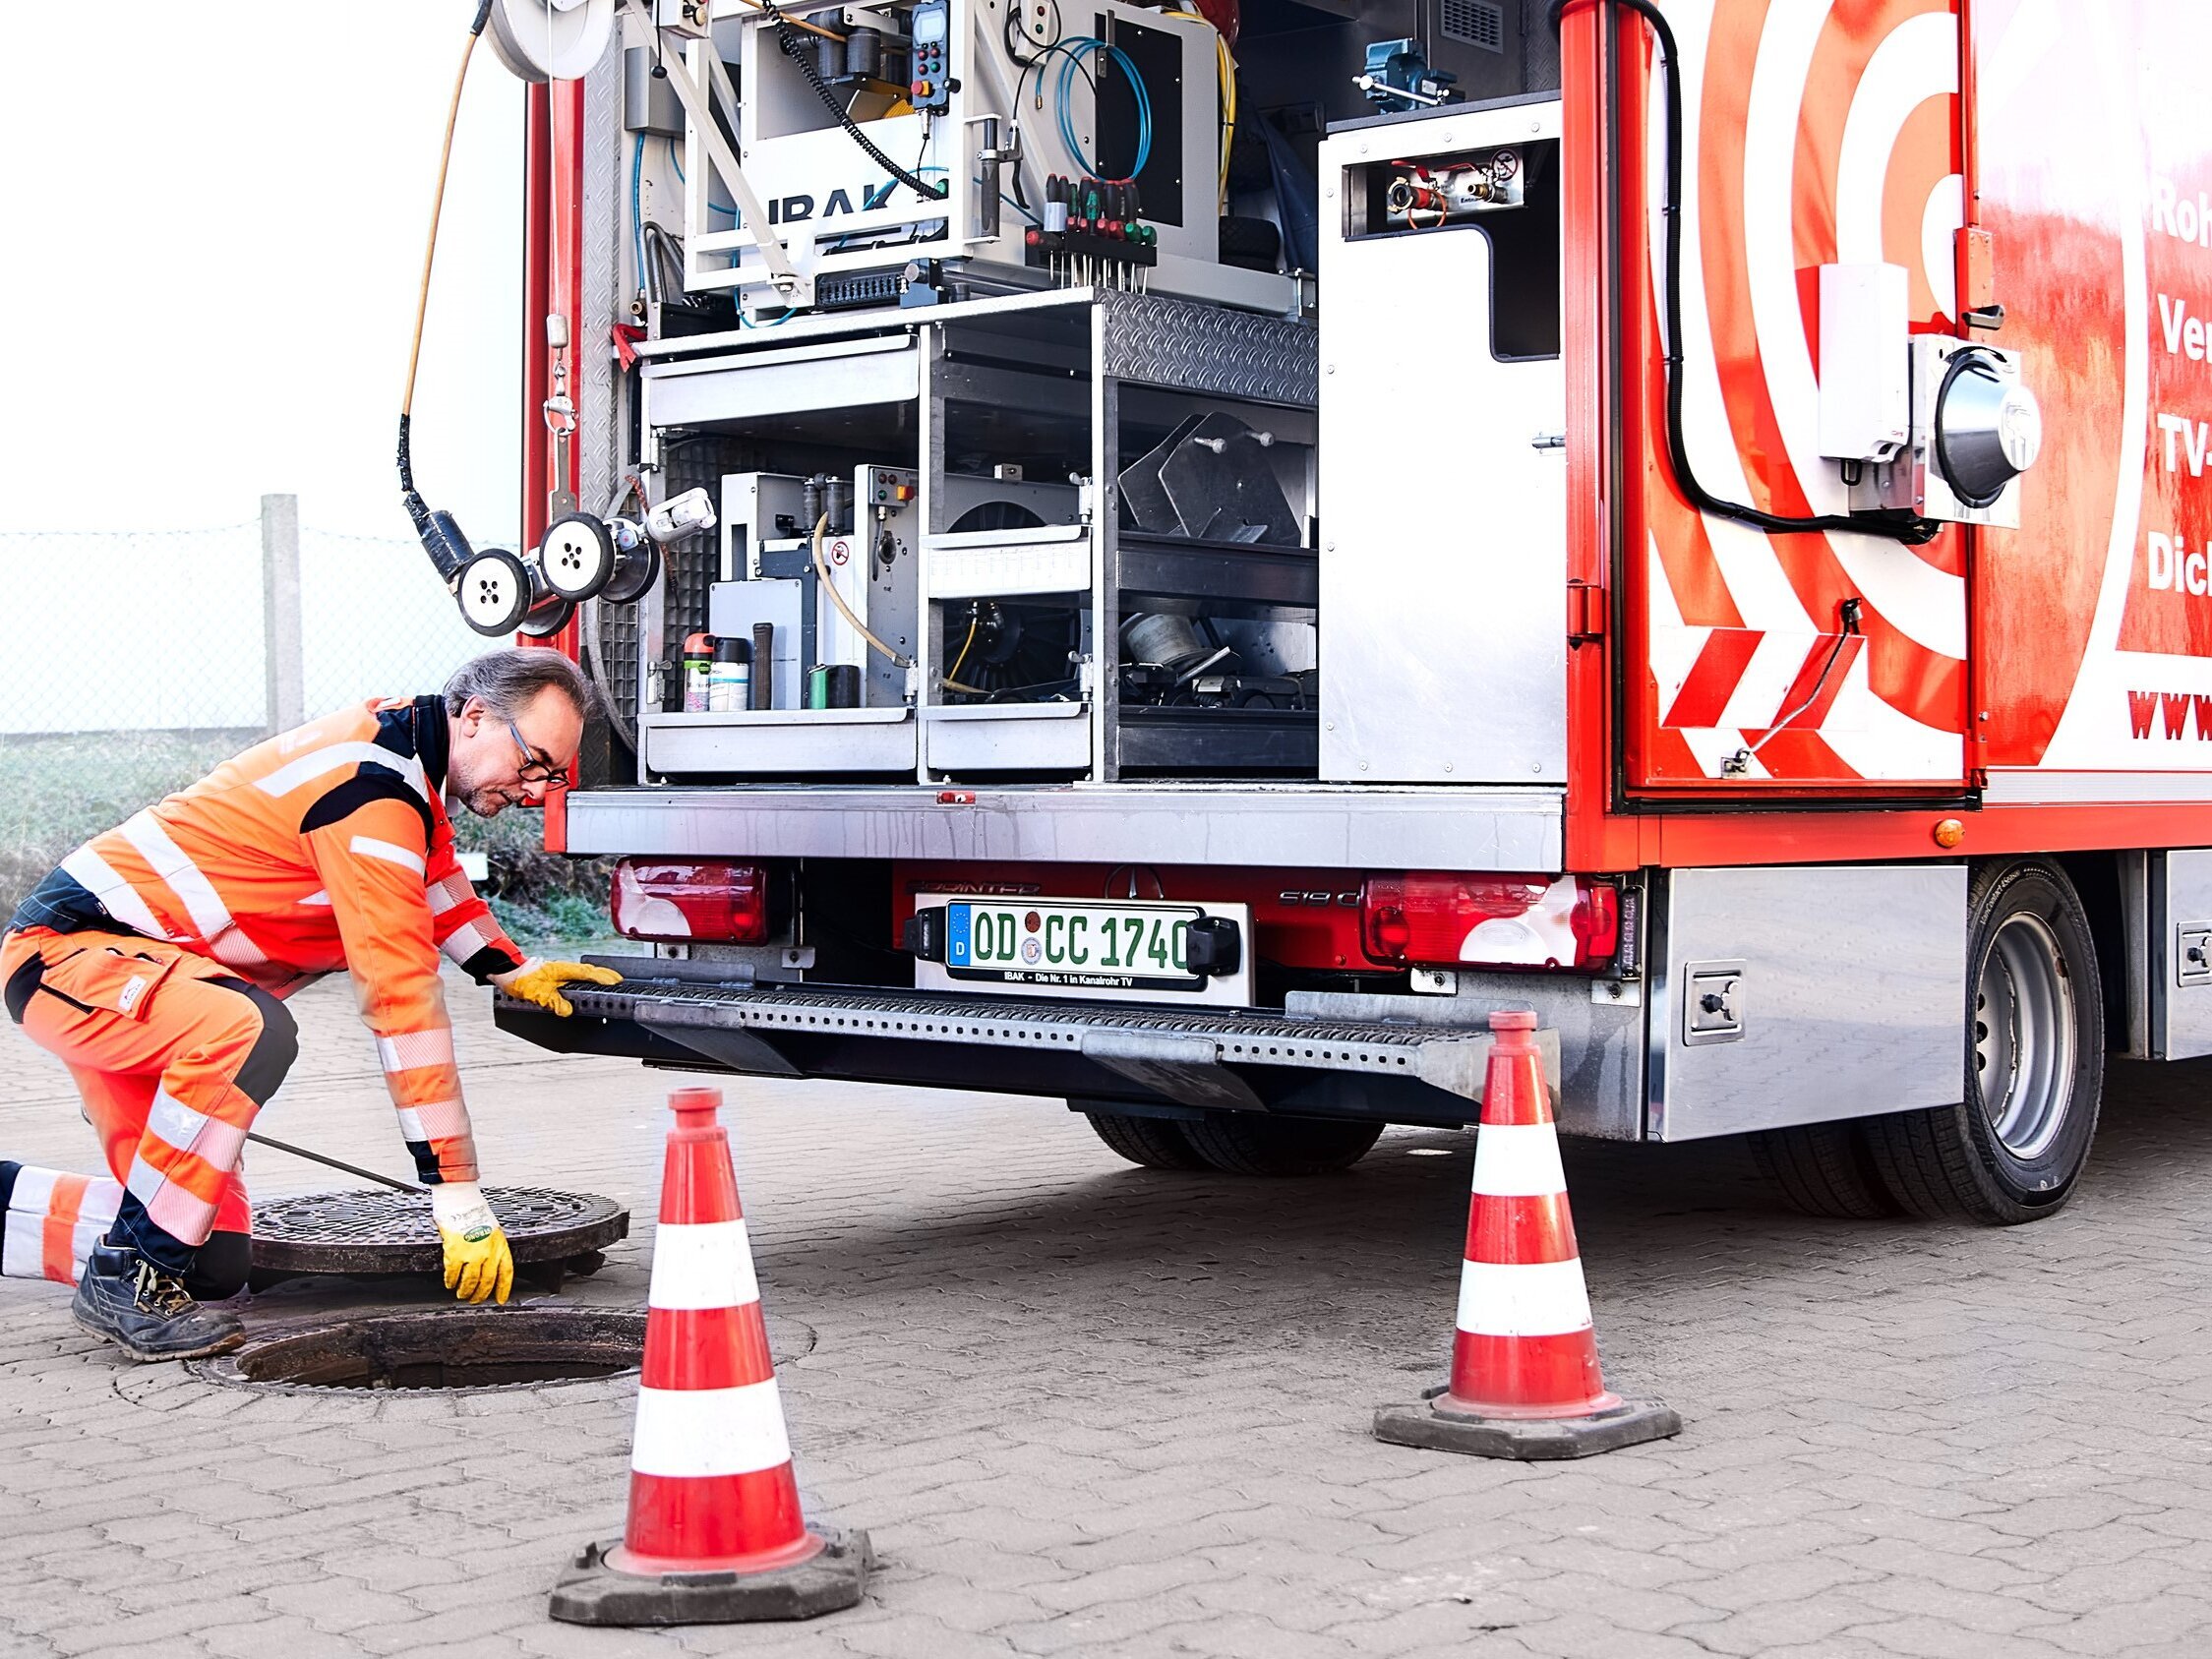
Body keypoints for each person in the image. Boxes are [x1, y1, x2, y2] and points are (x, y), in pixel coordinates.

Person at [0, 648, 621, 1361]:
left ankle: (98, 1239)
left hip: (158, 986)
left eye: (553, 775)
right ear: (475, 716)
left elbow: (434, 878)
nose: (538, 788)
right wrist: (454, 1188)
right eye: (535, 761)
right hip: (74, 958)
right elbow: (401, 997)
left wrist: (512, 968)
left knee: (212, 1259)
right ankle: (127, 1277)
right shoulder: (372, 793)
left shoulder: (403, 758)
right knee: (251, 1031)